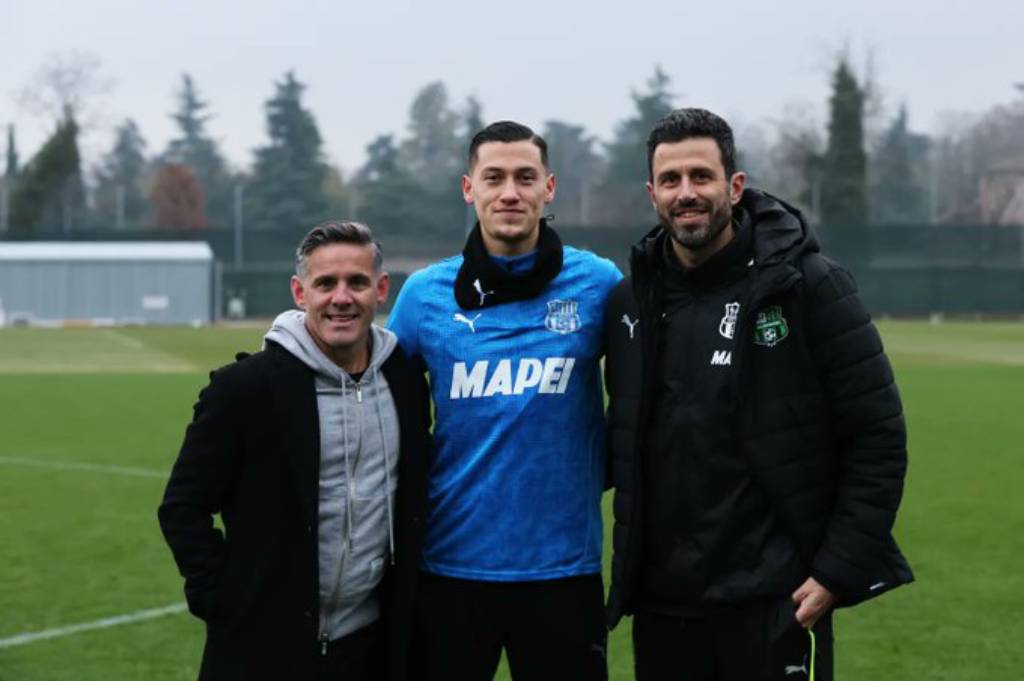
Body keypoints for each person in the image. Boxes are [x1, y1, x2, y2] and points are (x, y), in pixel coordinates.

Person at [603, 108, 913, 680]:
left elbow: (878, 437)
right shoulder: (631, 302)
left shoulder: (807, 284)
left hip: (774, 601)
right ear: (652, 193)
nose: (686, 193)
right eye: (670, 180)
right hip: (663, 606)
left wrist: (836, 570)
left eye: (702, 176)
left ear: (735, 185)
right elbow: (618, 436)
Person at [386, 121, 621, 681]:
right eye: (494, 177)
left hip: (564, 572)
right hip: (450, 570)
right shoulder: (424, 296)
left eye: (524, 177)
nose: (509, 192)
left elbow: (655, 384)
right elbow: (375, 399)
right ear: (469, 189)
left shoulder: (599, 283)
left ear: (550, 187)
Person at [158, 220, 431, 681]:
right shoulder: (243, 389)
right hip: (263, 649)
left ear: (381, 289)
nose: (341, 298)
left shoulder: (404, 381)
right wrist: (225, 600)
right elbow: (182, 507)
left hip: (370, 648)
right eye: (325, 283)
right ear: (300, 292)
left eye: (357, 283)